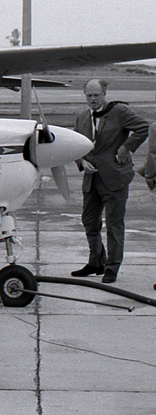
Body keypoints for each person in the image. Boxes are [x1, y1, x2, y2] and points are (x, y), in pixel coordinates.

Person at [71, 79, 149, 284]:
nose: (93, 99)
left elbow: (143, 127)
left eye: (97, 95)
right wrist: (81, 161)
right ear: (84, 95)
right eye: (89, 95)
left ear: (105, 93)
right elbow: (74, 145)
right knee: (89, 221)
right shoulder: (81, 118)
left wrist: (126, 148)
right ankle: (96, 261)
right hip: (92, 179)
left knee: (114, 225)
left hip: (115, 179)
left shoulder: (119, 111)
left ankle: (112, 267)